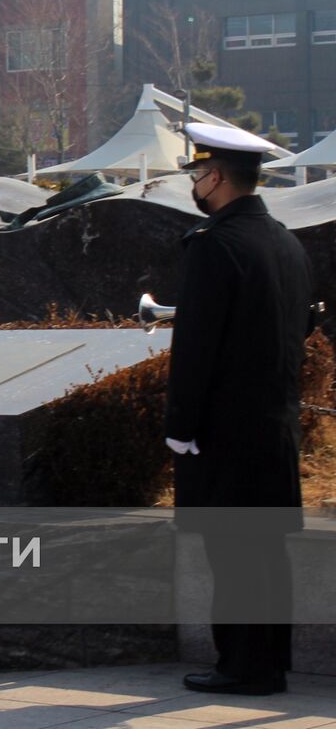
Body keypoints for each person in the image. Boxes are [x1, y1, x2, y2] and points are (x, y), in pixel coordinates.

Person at [166, 122, 315, 696]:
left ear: (217, 176)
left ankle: (242, 668)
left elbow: (196, 347)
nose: (196, 184)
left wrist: (179, 426)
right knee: (266, 554)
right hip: (274, 429)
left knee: (232, 556)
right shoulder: (285, 241)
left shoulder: (215, 245)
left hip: (224, 434)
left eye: (198, 173)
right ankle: (268, 663)